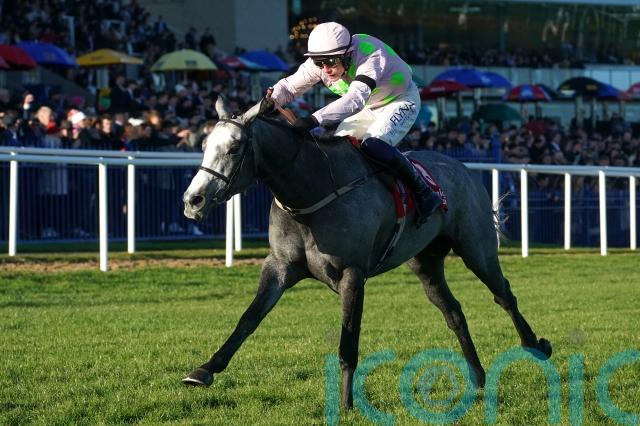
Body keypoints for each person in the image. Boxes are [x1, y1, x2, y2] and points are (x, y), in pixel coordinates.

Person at [268, 22, 441, 226]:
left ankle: (425, 193)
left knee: (374, 145)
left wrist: (313, 120)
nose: (325, 69)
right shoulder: (323, 61)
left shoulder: (370, 54)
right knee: (338, 152)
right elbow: (289, 87)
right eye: (318, 62)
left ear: (348, 54)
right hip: (369, 106)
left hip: (400, 100)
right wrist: (268, 102)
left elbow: (355, 99)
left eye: (331, 61)